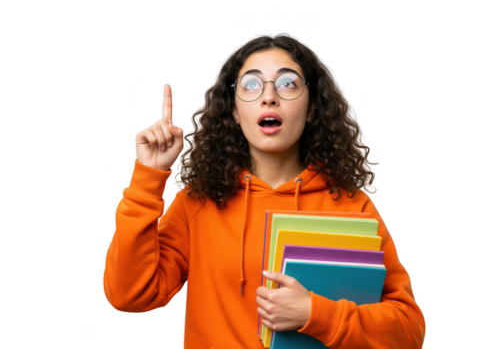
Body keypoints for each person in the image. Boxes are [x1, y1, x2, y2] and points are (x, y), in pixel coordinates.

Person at [103, 31, 427, 348]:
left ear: (313, 107)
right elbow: (129, 295)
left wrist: (316, 314)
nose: (268, 96)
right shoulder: (197, 202)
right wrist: (150, 174)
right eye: (251, 85)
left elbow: (408, 330)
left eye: (287, 83)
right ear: (233, 109)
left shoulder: (353, 205)